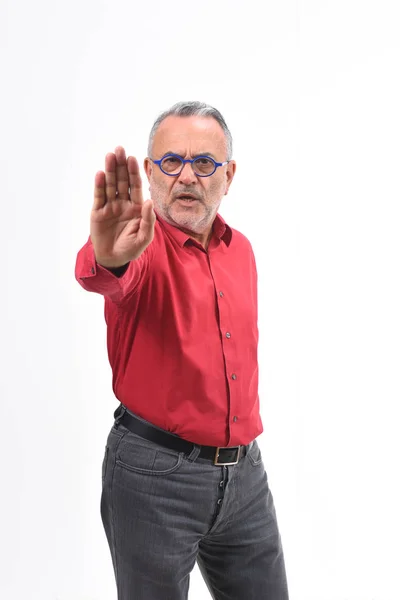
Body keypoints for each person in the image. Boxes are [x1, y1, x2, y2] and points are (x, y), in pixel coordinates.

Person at [74, 101, 289, 600]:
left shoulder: (243, 251)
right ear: (150, 173)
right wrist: (109, 255)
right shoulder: (139, 248)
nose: (187, 176)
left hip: (245, 476)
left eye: (205, 163)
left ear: (228, 175)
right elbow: (102, 271)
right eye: (171, 161)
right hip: (154, 476)